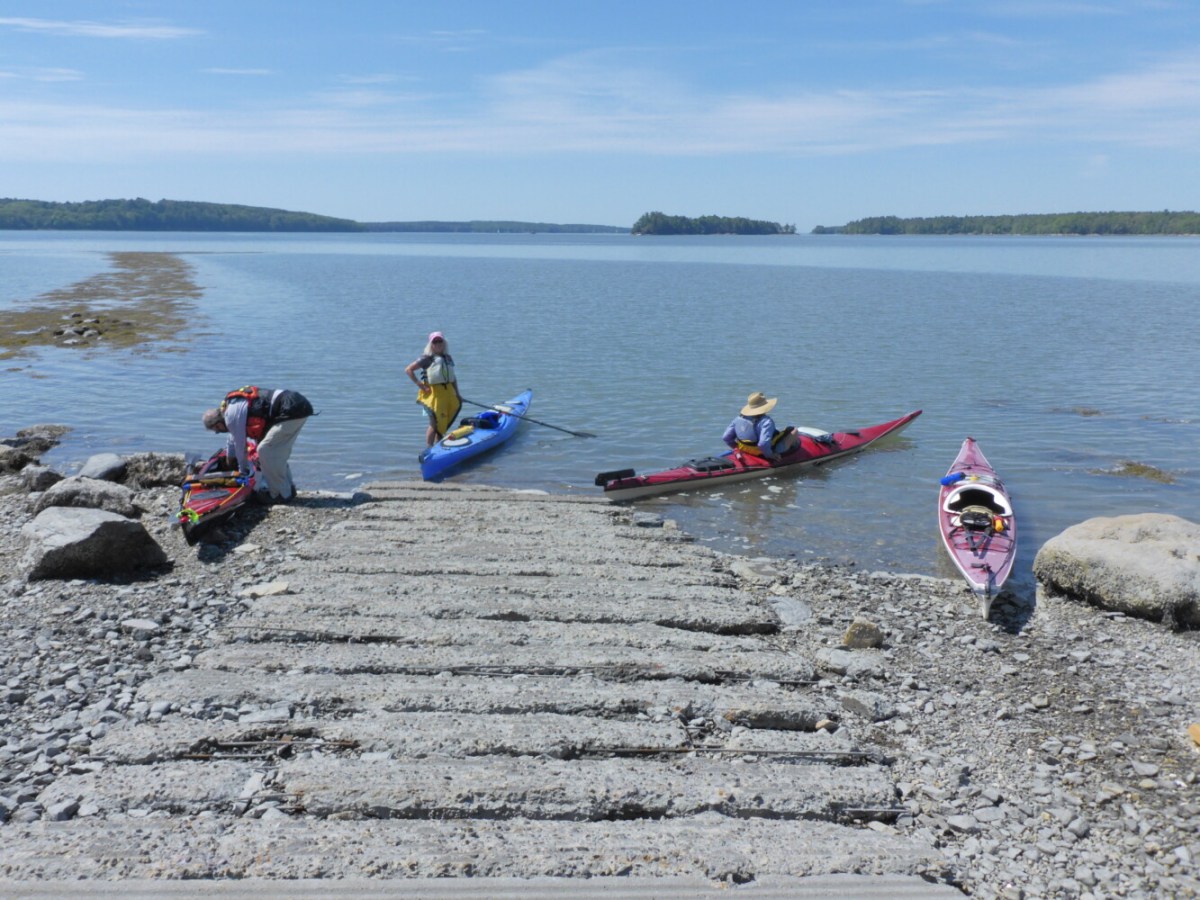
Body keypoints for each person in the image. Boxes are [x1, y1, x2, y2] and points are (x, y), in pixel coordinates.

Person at [201, 385, 313, 503]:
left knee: (265, 450)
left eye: (217, 431)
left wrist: (242, 472)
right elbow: (232, 440)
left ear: (218, 425)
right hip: (295, 405)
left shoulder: (231, 417)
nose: (219, 432)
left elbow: (240, 447)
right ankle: (289, 489)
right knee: (275, 452)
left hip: (290, 408)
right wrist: (229, 459)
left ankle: (278, 495)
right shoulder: (230, 409)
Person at [405, 331, 461, 448]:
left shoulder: (448, 358)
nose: (438, 344)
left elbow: (453, 378)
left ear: (444, 343)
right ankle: (429, 448)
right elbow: (409, 369)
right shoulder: (426, 359)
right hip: (433, 394)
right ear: (431, 344)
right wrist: (420, 384)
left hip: (447, 393)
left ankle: (438, 446)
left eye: (440, 341)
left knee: (442, 421)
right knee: (434, 422)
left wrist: (457, 393)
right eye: (435, 342)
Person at [722, 391, 802, 462]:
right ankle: (786, 452)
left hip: (744, 448)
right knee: (794, 430)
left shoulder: (738, 418)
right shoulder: (766, 421)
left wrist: (736, 447)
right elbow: (763, 444)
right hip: (761, 452)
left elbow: (726, 437)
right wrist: (770, 455)